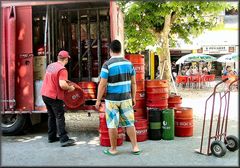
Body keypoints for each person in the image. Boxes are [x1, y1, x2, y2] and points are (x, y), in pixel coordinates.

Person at [95, 39, 141, 155]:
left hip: (112, 100)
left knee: (112, 124)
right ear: (121, 50)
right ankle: (135, 147)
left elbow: (102, 84)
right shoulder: (129, 63)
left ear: (110, 50)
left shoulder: (107, 65)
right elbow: (134, 83)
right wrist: (134, 97)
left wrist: (98, 100)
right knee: (130, 123)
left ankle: (113, 149)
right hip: (126, 98)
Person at [41, 50, 76, 147]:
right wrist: (70, 88)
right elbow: (62, 85)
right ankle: (63, 139)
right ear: (66, 59)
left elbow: (53, 79)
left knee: (51, 116)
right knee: (60, 117)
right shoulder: (62, 69)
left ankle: (51, 137)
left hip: (45, 94)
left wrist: (65, 81)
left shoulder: (51, 66)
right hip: (54, 96)